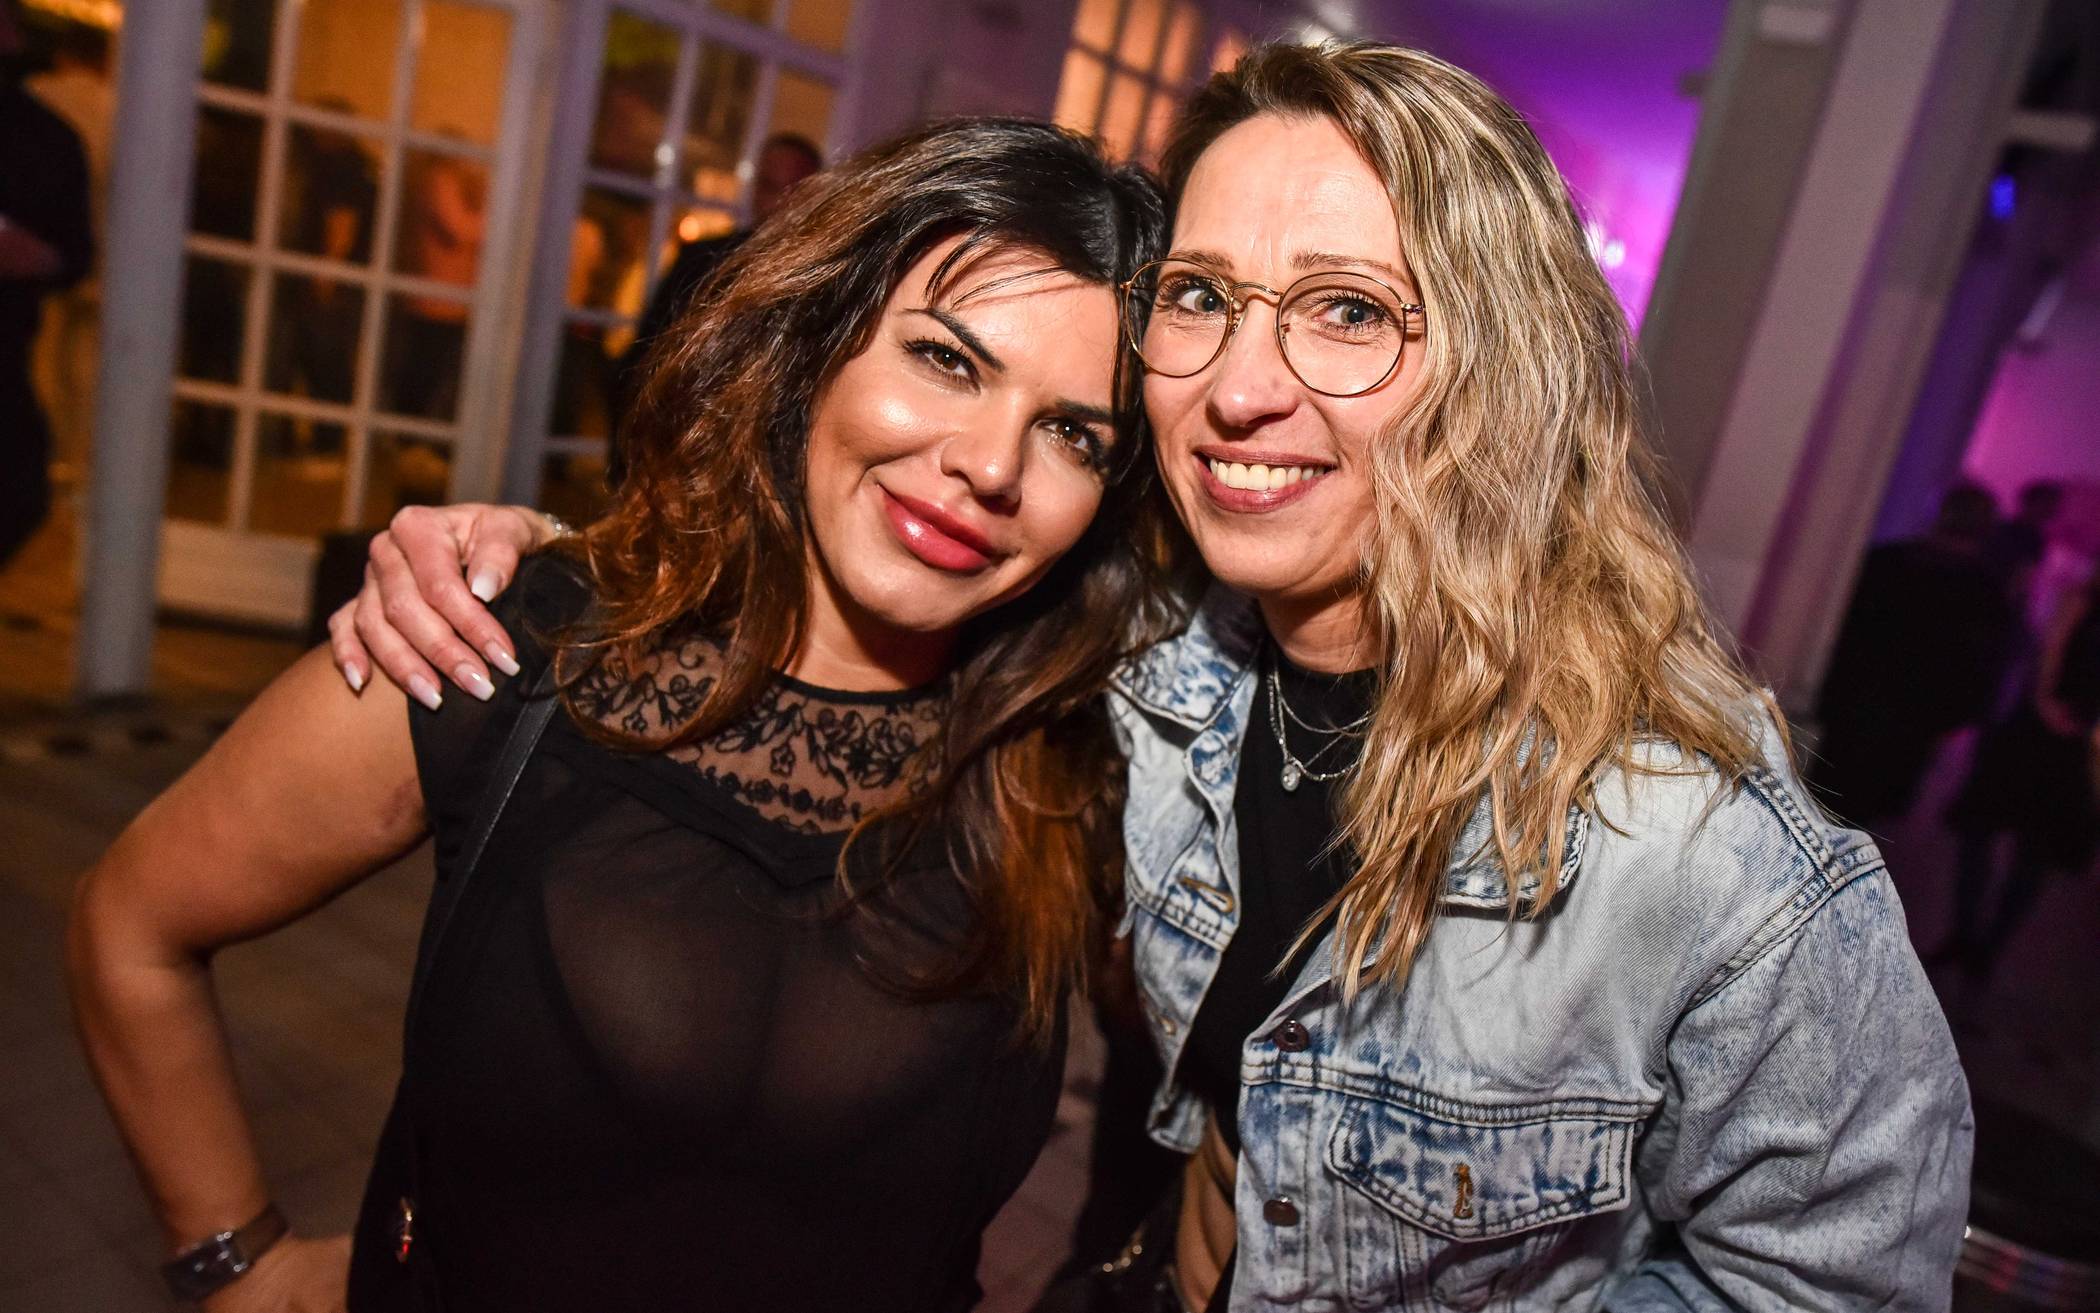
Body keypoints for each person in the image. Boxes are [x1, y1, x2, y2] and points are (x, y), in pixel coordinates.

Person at [338, 42, 1972, 1312]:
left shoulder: (1703, 861)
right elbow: (891, 555)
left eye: (1347, 311)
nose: (1241, 386)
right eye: (1199, 298)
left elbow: (1838, 1284)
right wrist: (539, 555)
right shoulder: (1153, 668)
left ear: (1501, 365)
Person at [68, 117, 1167, 1313]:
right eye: (947, 359)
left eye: (1074, 432)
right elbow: (134, 924)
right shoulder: (499, 644)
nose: (993, 464)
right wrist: (240, 1262)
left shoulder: (1081, 772)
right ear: (817, 340)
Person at [607, 132, 824, 483]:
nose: (778, 202)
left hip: (770, 474)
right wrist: (631, 459)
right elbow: (646, 357)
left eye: (793, 189)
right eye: (768, 185)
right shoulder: (702, 259)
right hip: (678, 456)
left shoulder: (824, 278)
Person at [1809, 481, 2018, 826]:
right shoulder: (1983, 590)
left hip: (1861, 698)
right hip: (1915, 712)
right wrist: (1959, 715)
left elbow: (1846, 628)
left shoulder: (1887, 561)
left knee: (1829, 797)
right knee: (1865, 811)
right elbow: (1979, 662)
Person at [1938, 570, 2100, 981]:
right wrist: (2047, 704)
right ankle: (1965, 935)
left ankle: (1985, 948)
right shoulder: (2080, 599)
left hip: (2073, 738)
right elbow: (2049, 653)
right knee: (1981, 830)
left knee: (2035, 854)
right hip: (2035, 731)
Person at [0, 0, 92, 571]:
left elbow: (75, 253)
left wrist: (38, 258)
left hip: (7, 352)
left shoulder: (44, 136)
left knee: (21, 488)